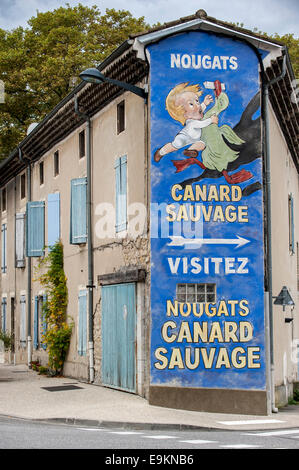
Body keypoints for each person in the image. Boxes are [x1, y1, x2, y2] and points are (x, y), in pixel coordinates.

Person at [154, 81, 253, 184]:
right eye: (191, 104)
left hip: (197, 138)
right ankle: (161, 152)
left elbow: (199, 109)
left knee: (202, 144)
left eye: (196, 101)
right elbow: (201, 124)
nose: (197, 105)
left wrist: (205, 103)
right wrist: (211, 120)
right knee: (174, 146)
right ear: (184, 114)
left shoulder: (195, 112)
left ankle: (191, 150)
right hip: (184, 138)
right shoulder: (191, 123)